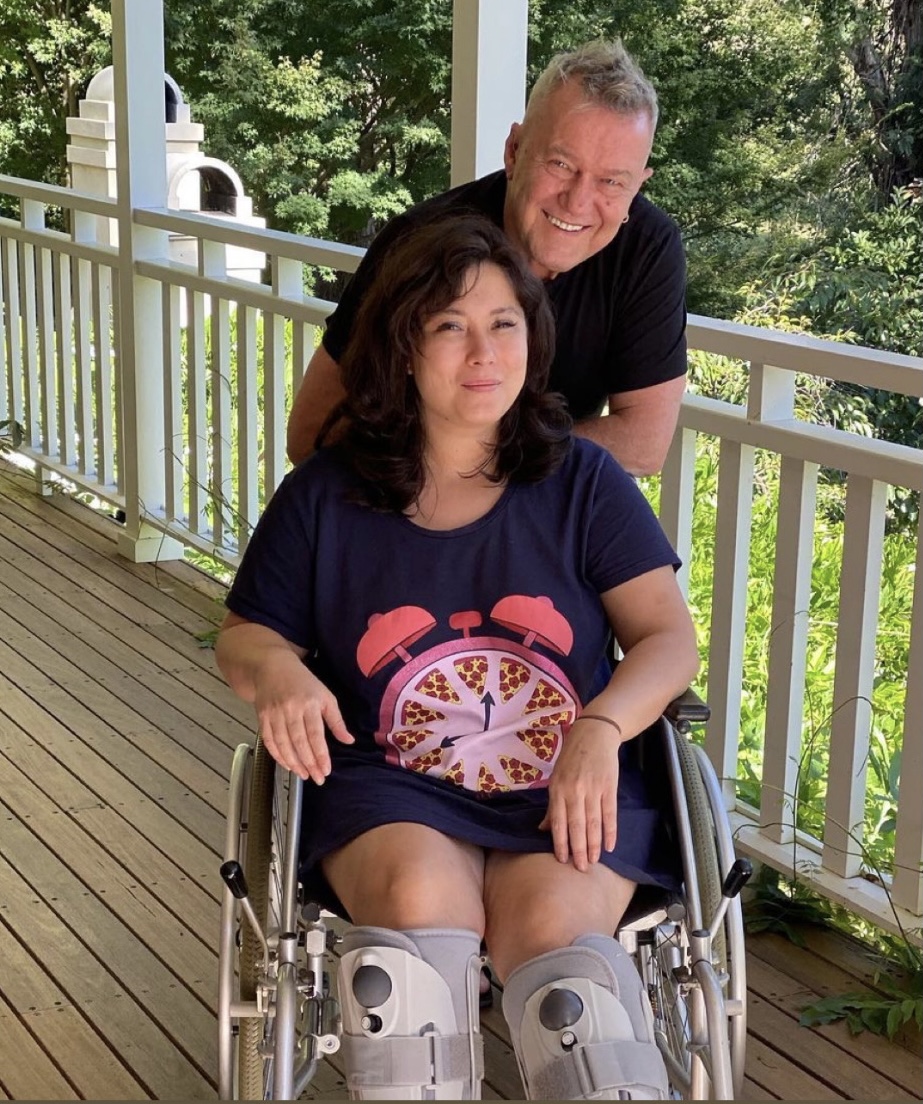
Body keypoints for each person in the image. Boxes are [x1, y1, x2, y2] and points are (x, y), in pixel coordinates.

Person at [217, 213, 699, 1100]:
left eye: (503, 324)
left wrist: (600, 728)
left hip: (566, 779)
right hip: (393, 780)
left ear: (532, 340)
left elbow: (668, 639)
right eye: (450, 326)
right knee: (414, 914)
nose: (482, 351)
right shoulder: (326, 494)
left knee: (561, 954)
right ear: (403, 346)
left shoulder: (582, 483)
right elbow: (246, 633)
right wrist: (279, 669)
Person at [286, 38, 687, 478]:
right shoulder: (421, 241)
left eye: (612, 182)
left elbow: (645, 444)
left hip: (547, 511)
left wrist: (483, 457)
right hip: (407, 500)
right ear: (514, 151)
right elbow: (310, 434)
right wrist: (461, 476)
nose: (578, 201)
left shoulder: (647, 248)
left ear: (638, 185)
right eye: (560, 164)